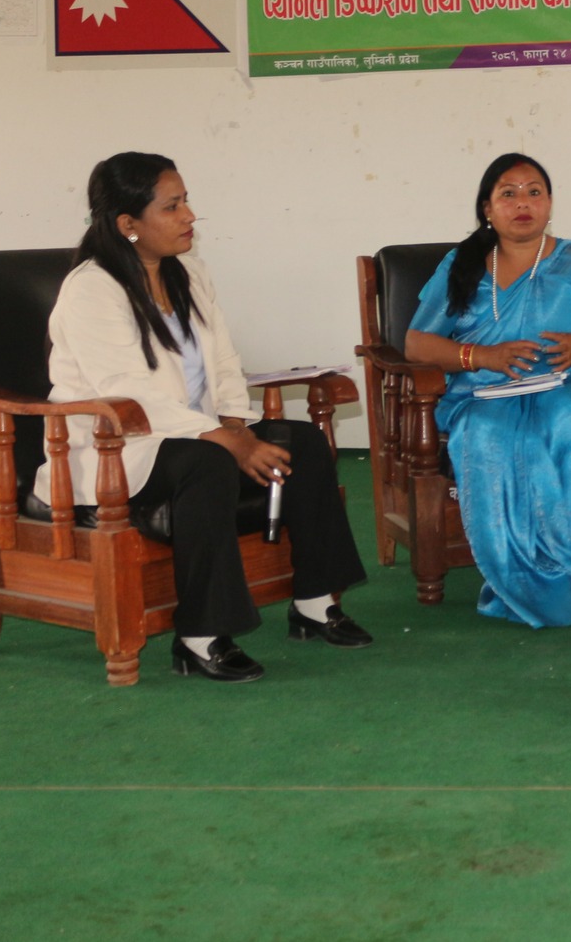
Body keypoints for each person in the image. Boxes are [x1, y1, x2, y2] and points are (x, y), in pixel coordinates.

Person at [34, 153, 371, 684]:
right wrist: (227, 442)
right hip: (118, 448)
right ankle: (200, 637)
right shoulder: (91, 289)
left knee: (301, 441)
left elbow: (223, 359)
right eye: (173, 206)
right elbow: (129, 395)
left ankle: (313, 602)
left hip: (198, 431)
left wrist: (236, 422)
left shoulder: (189, 271)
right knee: (207, 461)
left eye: (186, 200)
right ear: (128, 225)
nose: (190, 215)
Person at [405, 153, 571, 627]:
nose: (523, 203)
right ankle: (518, 577)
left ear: (550, 204)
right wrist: (481, 357)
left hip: (567, 383)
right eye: (508, 194)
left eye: (535, 192)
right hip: (483, 392)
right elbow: (417, 341)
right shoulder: (463, 265)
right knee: (485, 436)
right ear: (487, 209)